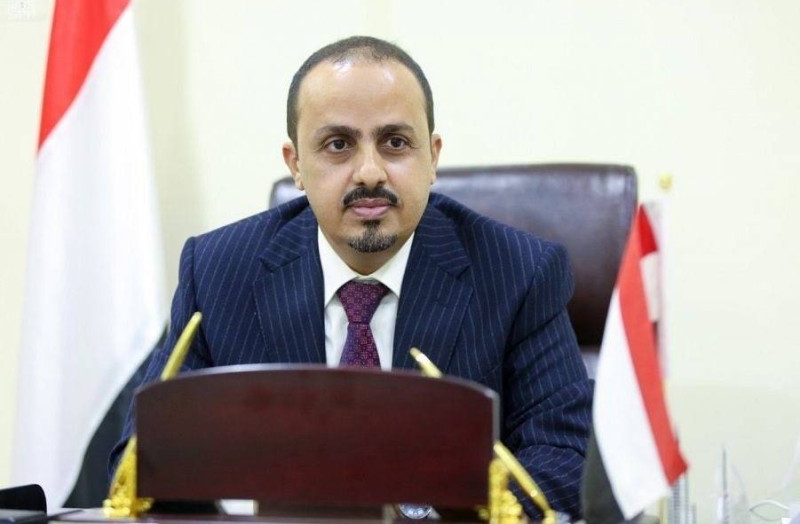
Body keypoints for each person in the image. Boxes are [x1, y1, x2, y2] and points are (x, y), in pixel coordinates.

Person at [111, 35, 592, 519]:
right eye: (338, 145)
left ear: (433, 157)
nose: (369, 172)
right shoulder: (217, 272)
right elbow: (145, 462)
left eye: (395, 143)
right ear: (296, 165)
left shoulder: (519, 273)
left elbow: (565, 457)